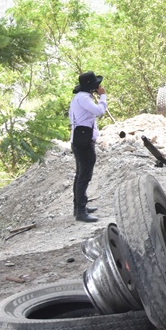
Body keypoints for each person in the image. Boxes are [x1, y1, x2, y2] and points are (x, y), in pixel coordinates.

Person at [69, 71, 107, 223]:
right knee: (84, 176)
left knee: (80, 175)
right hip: (84, 142)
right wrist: (103, 96)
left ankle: (79, 205)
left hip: (79, 139)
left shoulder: (79, 97)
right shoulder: (84, 98)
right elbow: (100, 111)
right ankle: (81, 211)